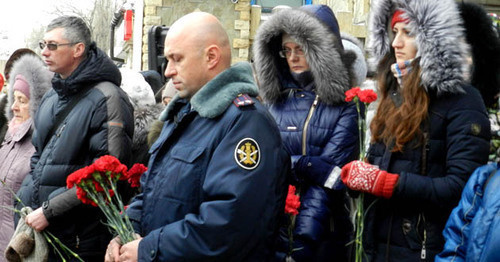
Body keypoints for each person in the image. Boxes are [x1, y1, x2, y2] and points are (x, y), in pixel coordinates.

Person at [105, 12, 289, 262]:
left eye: (176, 59)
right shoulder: (183, 115)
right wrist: (125, 233)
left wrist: (151, 248)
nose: (168, 71)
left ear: (211, 57)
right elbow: (151, 192)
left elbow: (231, 225)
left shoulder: (246, 123)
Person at [340, 0, 491, 261]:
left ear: (433, 41)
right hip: (378, 247)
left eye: (407, 33)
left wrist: (388, 184)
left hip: (426, 249)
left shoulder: (463, 101)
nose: (396, 43)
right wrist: (362, 176)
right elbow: (385, 166)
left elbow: (463, 187)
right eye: (394, 32)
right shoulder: (395, 93)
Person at [14, 15, 134, 261]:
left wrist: (49, 210)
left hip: (79, 240)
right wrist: (29, 200)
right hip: (42, 229)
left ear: (78, 49)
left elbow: (110, 173)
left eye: (53, 45)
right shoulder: (51, 97)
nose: (45, 52)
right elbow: (39, 155)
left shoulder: (108, 98)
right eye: (43, 45)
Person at [253, 5, 359, 261]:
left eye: (301, 48)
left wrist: (299, 244)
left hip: (323, 235)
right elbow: (261, 167)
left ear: (322, 50)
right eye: (287, 50)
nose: (293, 57)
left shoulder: (344, 107)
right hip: (272, 230)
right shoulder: (273, 103)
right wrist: (306, 164)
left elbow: (328, 181)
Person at [0, 54, 53, 261]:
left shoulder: (39, 146)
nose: (13, 106)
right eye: (14, 99)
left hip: (16, 249)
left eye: (21, 101)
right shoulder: (9, 140)